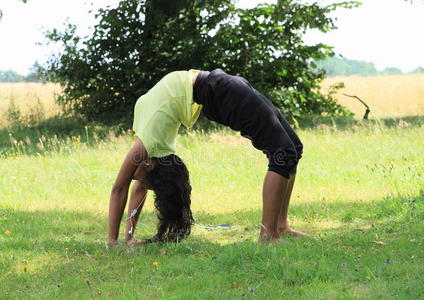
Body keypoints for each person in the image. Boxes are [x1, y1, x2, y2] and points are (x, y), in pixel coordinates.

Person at [108, 69, 305, 246]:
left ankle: (273, 231)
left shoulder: (145, 146)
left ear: (149, 165)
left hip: (221, 90)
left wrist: (112, 242)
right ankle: (274, 230)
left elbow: (119, 187)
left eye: (139, 178)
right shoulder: (155, 152)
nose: (136, 179)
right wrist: (128, 237)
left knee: (290, 149)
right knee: (285, 152)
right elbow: (139, 188)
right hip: (218, 89)